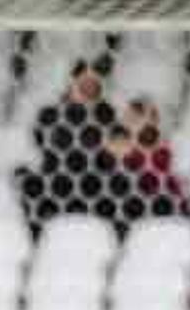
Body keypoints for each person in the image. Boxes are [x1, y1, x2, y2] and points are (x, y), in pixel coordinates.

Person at [20, 59, 117, 231]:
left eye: (94, 83)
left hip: (93, 179)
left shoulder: (106, 113)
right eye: (84, 81)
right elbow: (45, 143)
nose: (89, 86)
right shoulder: (49, 113)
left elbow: (108, 148)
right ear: (73, 80)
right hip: (58, 176)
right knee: (29, 183)